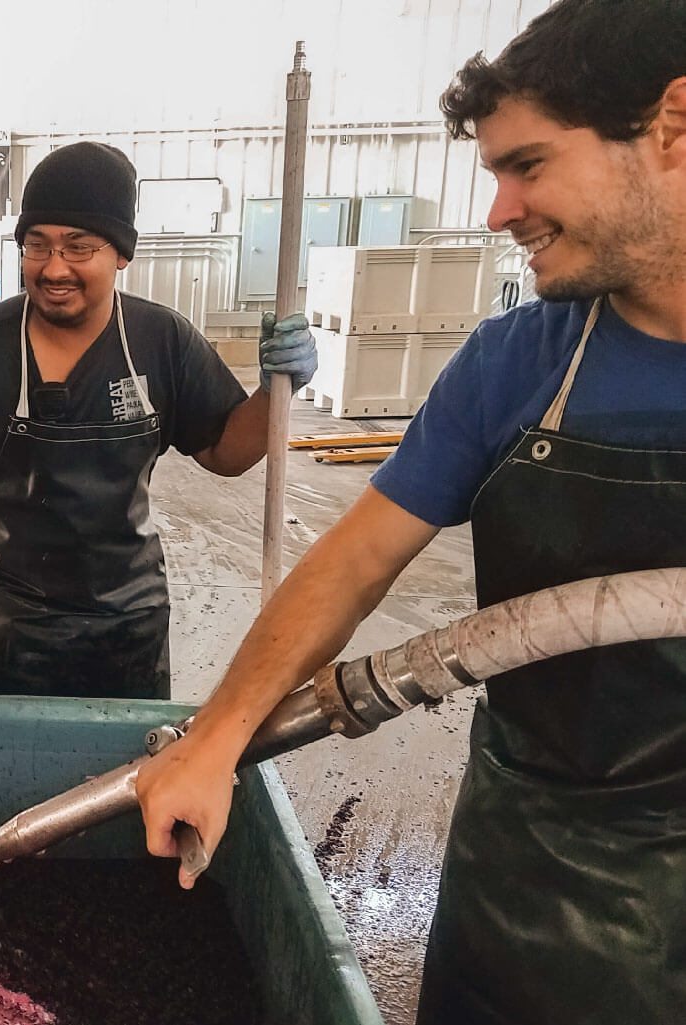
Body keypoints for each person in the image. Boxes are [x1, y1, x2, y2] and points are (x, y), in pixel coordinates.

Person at [136, 1, 686, 1021]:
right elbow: (348, 564)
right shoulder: (515, 360)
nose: (495, 210)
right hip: (521, 872)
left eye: (527, 165)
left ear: (671, 126)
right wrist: (212, 740)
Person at [0, 142, 317, 700]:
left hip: (129, 621)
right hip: (7, 620)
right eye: (37, 246)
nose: (54, 268)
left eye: (79, 247)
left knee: (119, 778)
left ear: (121, 253)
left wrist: (272, 391)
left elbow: (226, 452)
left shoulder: (161, 341)